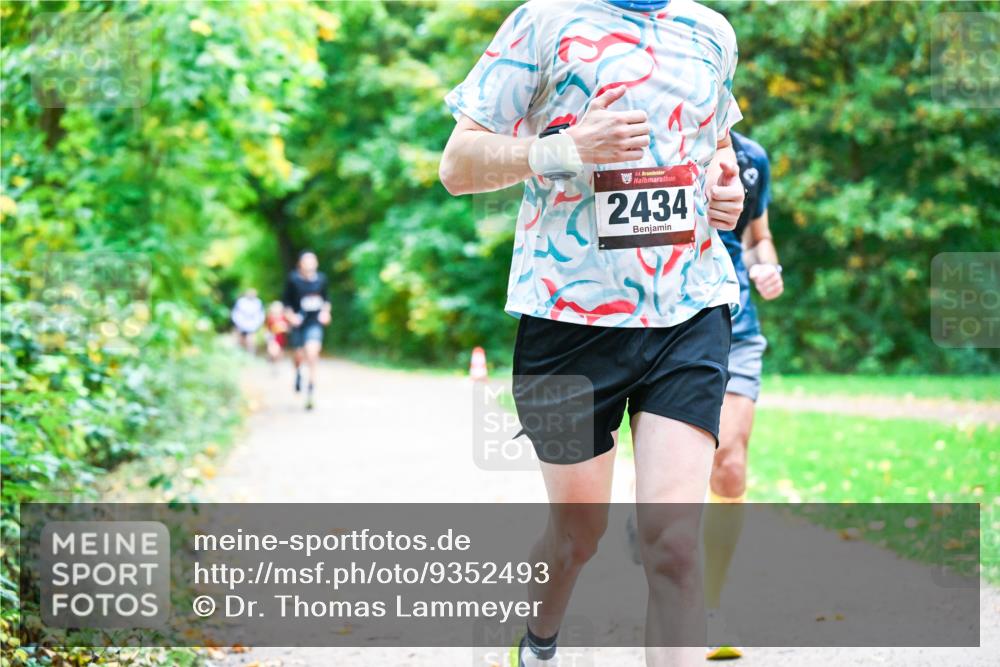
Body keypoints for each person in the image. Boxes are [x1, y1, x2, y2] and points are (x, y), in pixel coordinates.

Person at [440, 1, 746, 665]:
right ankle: (540, 637)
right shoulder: (544, 21)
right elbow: (458, 165)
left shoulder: (710, 30)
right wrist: (567, 148)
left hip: (690, 309)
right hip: (567, 321)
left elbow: (716, 145)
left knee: (673, 543)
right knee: (578, 533)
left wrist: (728, 191)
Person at [701, 129, 783, 660]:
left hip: (738, 327)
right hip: (666, 326)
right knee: (681, 468)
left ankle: (708, 606)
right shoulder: (656, 136)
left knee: (728, 462)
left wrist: (764, 265)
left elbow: (757, 236)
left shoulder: (751, 158)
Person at [282, 251, 331, 410]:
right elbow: (286, 304)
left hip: (314, 323)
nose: (309, 264)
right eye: (306, 261)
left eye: (312, 261)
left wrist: (325, 313)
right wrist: (291, 317)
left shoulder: (321, 279)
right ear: (300, 264)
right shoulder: (293, 279)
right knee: (298, 356)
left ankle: (310, 389)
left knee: (312, 354)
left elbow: (326, 301)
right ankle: (298, 374)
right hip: (298, 324)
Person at [231, 288, 265, 354]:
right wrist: (237, 322)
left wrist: (257, 324)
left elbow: (260, 315)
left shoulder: (258, 302)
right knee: (240, 340)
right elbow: (235, 313)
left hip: (252, 325)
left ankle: (250, 354)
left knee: (251, 340)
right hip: (240, 324)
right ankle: (239, 353)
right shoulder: (241, 301)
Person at [264, 300, 289, 365]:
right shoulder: (270, 317)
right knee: (273, 351)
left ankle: (277, 364)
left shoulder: (284, 317)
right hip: (273, 337)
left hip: (281, 337)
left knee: (280, 352)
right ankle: (272, 361)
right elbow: (267, 328)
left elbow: (288, 327)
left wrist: (284, 328)